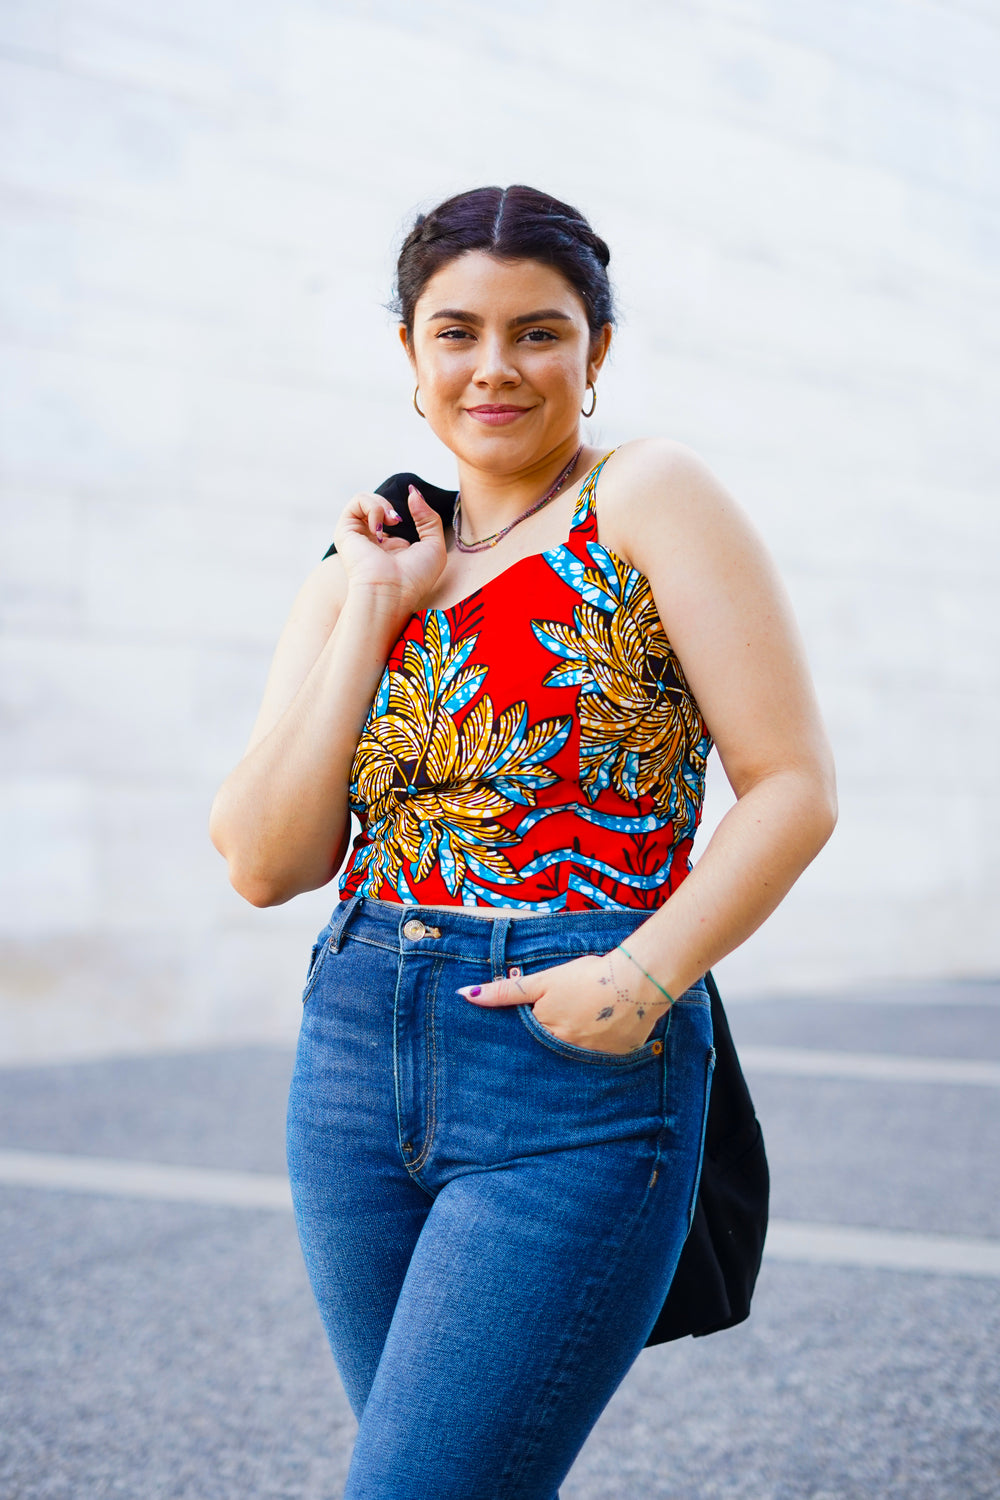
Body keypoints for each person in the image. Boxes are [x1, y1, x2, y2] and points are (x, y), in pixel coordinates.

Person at [209, 184, 837, 1499]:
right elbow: (266, 861)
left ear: (595, 351)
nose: (494, 366)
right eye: (458, 332)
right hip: (353, 1059)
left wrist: (643, 979)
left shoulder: (646, 495)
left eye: (539, 332)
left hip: (572, 1063)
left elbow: (792, 785)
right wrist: (373, 609)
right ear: (410, 352)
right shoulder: (368, 556)